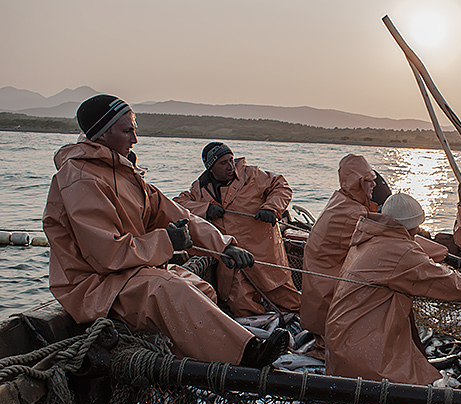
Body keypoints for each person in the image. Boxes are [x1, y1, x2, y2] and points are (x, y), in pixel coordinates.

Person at [43, 95, 288, 368]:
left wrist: (224, 246)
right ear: (102, 134)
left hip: (130, 272)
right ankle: (248, 357)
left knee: (200, 287)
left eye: (134, 129)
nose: (135, 139)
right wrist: (167, 240)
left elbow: (176, 213)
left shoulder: (126, 173)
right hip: (95, 286)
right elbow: (105, 255)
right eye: (127, 131)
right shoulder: (79, 178)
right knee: (168, 289)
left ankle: (195, 363)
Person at [325, 193, 461, 385]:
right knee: (412, 399)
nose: (418, 230)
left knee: (421, 370)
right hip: (364, 354)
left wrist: (444, 256)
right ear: (409, 227)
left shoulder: (369, 237)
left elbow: (408, 244)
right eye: (415, 226)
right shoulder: (401, 252)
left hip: (339, 343)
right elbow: (450, 284)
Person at [175, 142, 301, 316]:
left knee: (289, 301)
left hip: (265, 255)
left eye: (231, 160)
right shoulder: (199, 189)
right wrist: (205, 209)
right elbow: (177, 205)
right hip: (233, 260)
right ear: (211, 168)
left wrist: (271, 208)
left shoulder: (253, 175)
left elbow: (281, 186)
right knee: (242, 308)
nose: (230, 166)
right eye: (223, 162)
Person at [300, 154, 379, 349]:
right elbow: (387, 241)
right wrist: (442, 254)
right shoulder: (353, 213)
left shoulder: (340, 199)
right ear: (358, 183)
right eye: (370, 181)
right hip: (327, 294)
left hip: (317, 289)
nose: (374, 186)